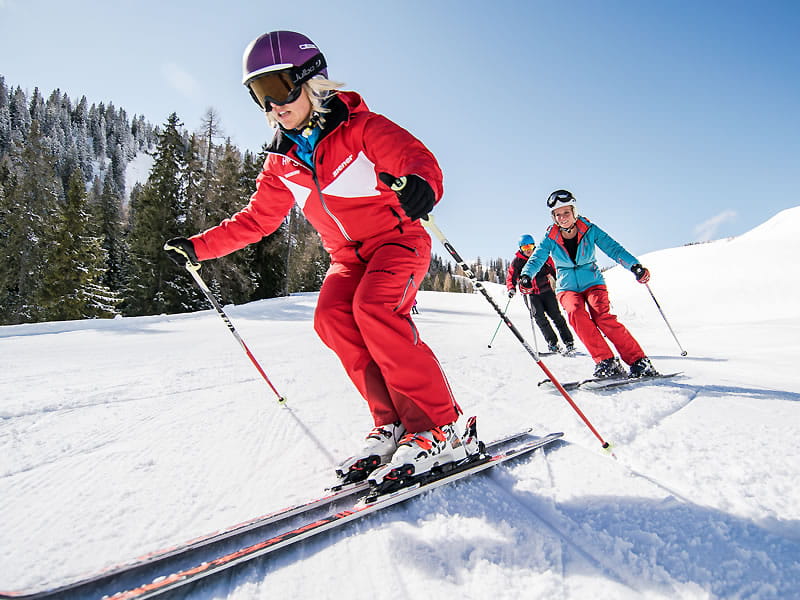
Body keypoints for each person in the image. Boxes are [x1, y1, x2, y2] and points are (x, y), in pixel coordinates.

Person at [163, 31, 475, 485]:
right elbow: (257, 220)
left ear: (311, 81)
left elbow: (416, 159)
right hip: (347, 256)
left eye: (277, 89)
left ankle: (439, 425)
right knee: (332, 318)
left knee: (374, 308)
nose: (272, 106)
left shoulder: (362, 128)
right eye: (258, 95)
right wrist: (198, 247)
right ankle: (391, 423)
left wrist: (421, 186)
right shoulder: (281, 162)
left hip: (398, 240)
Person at [519, 190, 659, 379]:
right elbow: (537, 258)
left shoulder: (590, 230)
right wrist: (527, 275)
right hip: (567, 286)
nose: (562, 218)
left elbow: (613, 248)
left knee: (603, 317)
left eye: (566, 212)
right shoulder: (550, 237)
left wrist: (635, 266)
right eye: (557, 214)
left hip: (593, 282)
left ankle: (639, 362)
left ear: (574, 212)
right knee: (575, 312)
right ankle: (606, 362)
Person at [506, 234, 575, 354]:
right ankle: (552, 343)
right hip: (530, 294)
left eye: (530, 246)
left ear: (534, 246)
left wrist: (561, 283)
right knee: (539, 318)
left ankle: (569, 342)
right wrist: (511, 288)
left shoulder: (541, 256)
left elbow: (554, 270)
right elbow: (511, 276)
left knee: (556, 316)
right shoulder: (517, 261)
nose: (528, 250)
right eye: (524, 247)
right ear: (520, 248)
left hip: (546, 291)